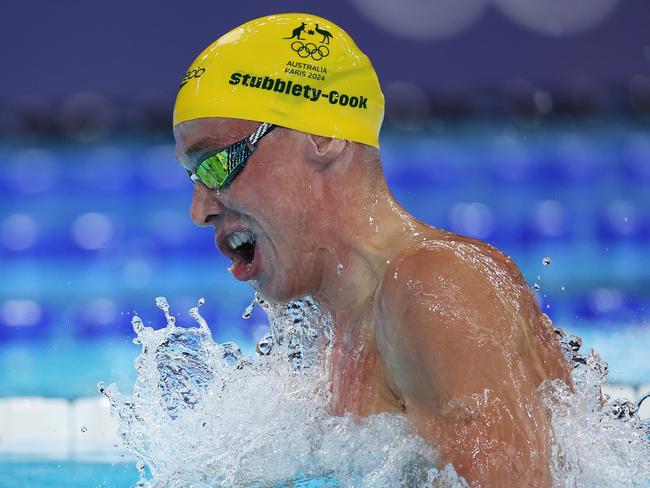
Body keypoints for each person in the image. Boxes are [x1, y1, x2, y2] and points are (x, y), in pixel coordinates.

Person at [173, 13, 572, 487]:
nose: (199, 209)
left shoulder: (435, 286)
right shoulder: (346, 332)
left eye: (217, 163)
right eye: (192, 176)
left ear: (322, 134)